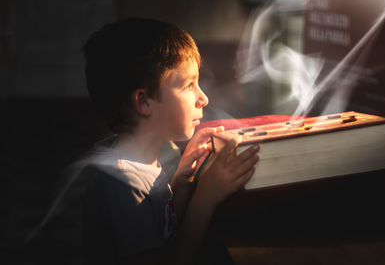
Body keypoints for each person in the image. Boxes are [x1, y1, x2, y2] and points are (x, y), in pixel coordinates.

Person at [82, 17, 260, 264]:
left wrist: (181, 184)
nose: (203, 98)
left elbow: (158, 224)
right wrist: (204, 199)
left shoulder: (144, 156)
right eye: (188, 85)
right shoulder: (122, 185)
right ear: (144, 102)